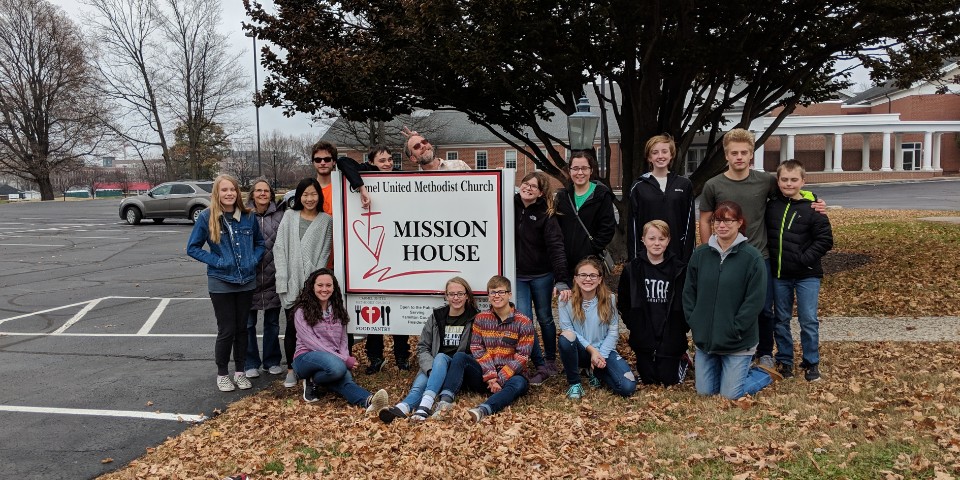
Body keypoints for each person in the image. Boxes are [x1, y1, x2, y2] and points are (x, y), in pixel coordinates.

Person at [698, 128, 826, 371]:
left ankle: (765, 352)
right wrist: (707, 251)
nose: (739, 157)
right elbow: (705, 220)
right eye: (734, 153)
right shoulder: (713, 185)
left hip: (760, 256)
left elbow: (792, 192)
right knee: (731, 305)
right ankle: (733, 348)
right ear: (726, 155)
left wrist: (815, 200)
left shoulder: (765, 181)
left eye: (744, 152)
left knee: (765, 309)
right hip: (725, 256)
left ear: (751, 155)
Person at [684, 201, 782, 400]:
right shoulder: (700, 255)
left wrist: (736, 328)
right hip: (707, 341)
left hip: (738, 341)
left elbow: (755, 300)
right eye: (718, 220)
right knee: (704, 392)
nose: (722, 225)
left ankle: (763, 374)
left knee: (730, 395)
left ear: (739, 223)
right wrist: (695, 322)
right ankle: (727, 376)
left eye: (728, 220)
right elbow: (689, 293)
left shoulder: (752, 258)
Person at [186, 174, 265, 392]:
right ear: (217, 193)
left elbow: (260, 243)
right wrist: (218, 261)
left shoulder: (248, 217)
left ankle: (240, 372)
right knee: (227, 330)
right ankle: (222, 374)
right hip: (221, 282)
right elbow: (192, 248)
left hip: (246, 282)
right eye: (224, 190)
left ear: (238, 193)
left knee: (243, 329)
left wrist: (253, 259)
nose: (229, 193)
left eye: (232, 189)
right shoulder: (206, 217)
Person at [765, 160, 834, 382]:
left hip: (807, 275)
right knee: (781, 319)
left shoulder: (813, 207)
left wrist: (804, 259)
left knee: (808, 319)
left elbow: (825, 240)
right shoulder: (771, 205)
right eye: (784, 179)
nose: (789, 183)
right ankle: (785, 359)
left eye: (794, 179)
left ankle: (811, 361)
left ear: (803, 181)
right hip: (780, 275)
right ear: (778, 181)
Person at [377, 277, 480, 423]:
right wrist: (431, 369)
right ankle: (403, 407)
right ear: (446, 296)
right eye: (452, 294)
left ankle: (424, 406)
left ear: (467, 295)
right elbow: (422, 347)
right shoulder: (437, 317)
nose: (456, 298)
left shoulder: (475, 318)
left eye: (460, 294)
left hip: (456, 370)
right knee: (421, 383)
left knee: (441, 357)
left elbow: (478, 350)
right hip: (435, 366)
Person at [433, 276, 534, 422]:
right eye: (493, 293)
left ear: (509, 294)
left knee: (519, 383)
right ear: (489, 296)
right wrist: (491, 376)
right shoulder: (481, 318)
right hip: (485, 375)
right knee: (460, 357)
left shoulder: (523, 322)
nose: (496, 296)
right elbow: (477, 347)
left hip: (511, 376)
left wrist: (500, 379)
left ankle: (483, 409)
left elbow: (522, 356)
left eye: (501, 292)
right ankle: (445, 402)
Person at [291, 268, 390, 411]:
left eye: (328, 285)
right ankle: (311, 376)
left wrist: (344, 356)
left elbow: (343, 340)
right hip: (306, 357)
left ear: (334, 287)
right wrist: (343, 359)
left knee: (345, 378)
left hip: (333, 360)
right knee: (338, 367)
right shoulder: (301, 311)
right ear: (312, 286)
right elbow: (311, 342)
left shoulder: (338, 310)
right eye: (320, 285)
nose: (324, 289)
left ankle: (369, 401)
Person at [274, 178, 333, 388]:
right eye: (305, 194)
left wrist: (313, 283)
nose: (309, 198)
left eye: (313, 194)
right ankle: (291, 369)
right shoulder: (289, 217)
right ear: (299, 196)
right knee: (291, 326)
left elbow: (324, 251)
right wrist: (283, 277)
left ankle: (311, 368)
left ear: (319, 196)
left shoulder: (326, 220)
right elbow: (279, 247)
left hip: (312, 284)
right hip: (290, 280)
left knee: (312, 327)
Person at [358, 146, 412, 373]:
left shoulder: (400, 180)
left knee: (399, 309)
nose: (388, 163)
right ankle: (375, 358)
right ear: (371, 162)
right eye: (382, 160)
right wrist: (361, 186)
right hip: (374, 255)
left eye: (390, 159)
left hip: (398, 252)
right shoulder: (365, 176)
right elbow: (344, 163)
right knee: (374, 308)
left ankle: (402, 357)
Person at [514, 171, 570, 386]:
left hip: (542, 275)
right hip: (518, 275)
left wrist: (561, 278)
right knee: (525, 320)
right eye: (525, 184)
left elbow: (556, 246)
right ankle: (535, 362)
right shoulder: (509, 205)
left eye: (533, 187)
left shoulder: (546, 214)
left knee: (545, 317)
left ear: (540, 192)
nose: (527, 188)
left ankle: (550, 359)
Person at [617, 220, 689, 386]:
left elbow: (687, 301)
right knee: (649, 381)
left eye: (662, 239)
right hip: (643, 335)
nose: (657, 243)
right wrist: (634, 324)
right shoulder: (632, 269)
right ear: (643, 239)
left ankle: (683, 358)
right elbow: (624, 303)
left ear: (668, 240)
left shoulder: (679, 269)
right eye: (652, 238)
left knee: (668, 380)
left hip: (671, 335)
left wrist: (682, 327)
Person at [558, 257, 637, 399]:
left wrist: (600, 356)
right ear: (575, 278)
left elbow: (613, 332)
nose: (588, 279)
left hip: (603, 351)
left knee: (627, 387)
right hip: (580, 351)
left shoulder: (610, 299)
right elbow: (568, 330)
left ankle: (596, 372)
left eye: (593, 275)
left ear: (600, 279)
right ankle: (575, 383)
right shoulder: (565, 300)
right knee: (566, 337)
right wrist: (592, 351)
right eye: (583, 275)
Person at [627, 134, 696, 262]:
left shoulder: (684, 185)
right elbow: (633, 227)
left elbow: (689, 224)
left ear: (671, 155)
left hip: (676, 254)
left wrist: (688, 259)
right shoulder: (638, 186)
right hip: (647, 257)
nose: (660, 156)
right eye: (655, 152)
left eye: (664, 151)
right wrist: (635, 261)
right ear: (649, 157)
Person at [244, 179, 285, 378]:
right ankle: (250, 362)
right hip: (248, 279)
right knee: (248, 324)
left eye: (266, 191)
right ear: (252, 194)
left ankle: (271, 361)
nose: (262, 194)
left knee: (272, 324)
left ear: (271, 194)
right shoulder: (243, 214)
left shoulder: (280, 215)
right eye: (258, 191)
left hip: (274, 277)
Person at [554, 150, 617, 274]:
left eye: (584, 168)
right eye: (575, 168)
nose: (580, 173)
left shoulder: (602, 195)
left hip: (590, 264)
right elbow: (556, 229)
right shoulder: (562, 197)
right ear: (569, 171)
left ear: (591, 170)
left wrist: (590, 249)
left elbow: (608, 229)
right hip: (565, 265)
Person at [403, 128, 471, 171]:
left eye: (424, 142)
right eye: (417, 146)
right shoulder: (415, 181)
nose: (423, 146)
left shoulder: (460, 166)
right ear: (413, 158)